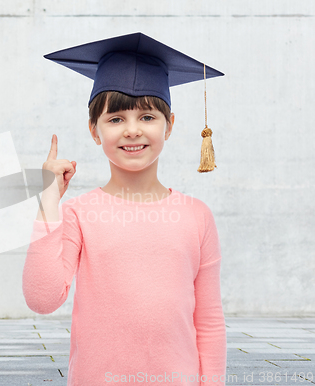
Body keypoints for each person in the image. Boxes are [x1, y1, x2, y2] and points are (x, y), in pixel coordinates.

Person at [22, 32, 227, 386]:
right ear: (94, 130)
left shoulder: (197, 216)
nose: (132, 130)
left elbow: (208, 321)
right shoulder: (78, 214)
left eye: (147, 117)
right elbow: (42, 299)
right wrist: (49, 201)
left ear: (170, 125)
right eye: (115, 119)